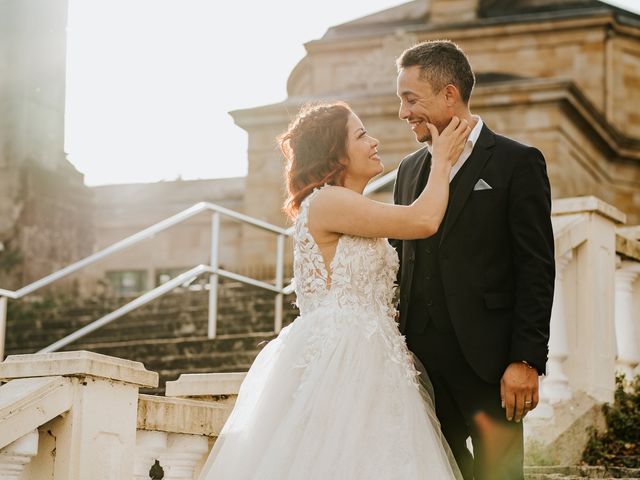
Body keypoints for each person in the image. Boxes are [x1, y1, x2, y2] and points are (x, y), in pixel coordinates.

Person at [197, 101, 470, 479]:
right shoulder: (327, 200)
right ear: (335, 153)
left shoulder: (348, 204)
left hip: (377, 354)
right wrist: (441, 162)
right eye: (360, 135)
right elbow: (423, 220)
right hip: (345, 354)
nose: (373, 142)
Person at [391, 40, 555, 480]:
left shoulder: (516, 163)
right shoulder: (408, 171)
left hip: (491, 365)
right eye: (400, 101)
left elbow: (536, 267)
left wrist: (526, 359)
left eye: (411, 99)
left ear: (449, 94)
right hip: (420, 366)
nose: (403, 113)